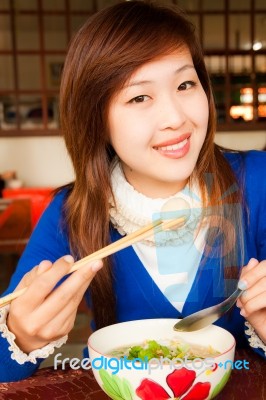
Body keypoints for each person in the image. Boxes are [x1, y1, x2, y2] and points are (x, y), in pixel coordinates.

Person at [0, 1, 265, 383]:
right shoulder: (70, 215)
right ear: (97, 119)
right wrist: (21, 336)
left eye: (186, 84)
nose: (176, 118)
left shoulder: (257, 182)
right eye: (139, 97)